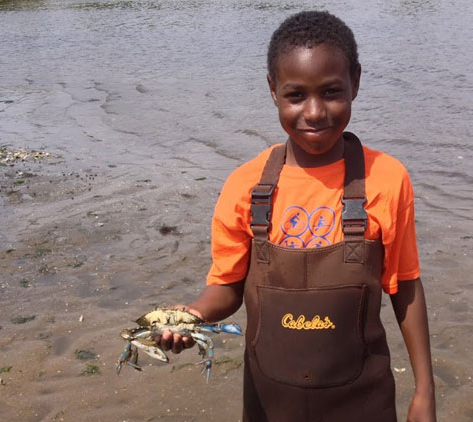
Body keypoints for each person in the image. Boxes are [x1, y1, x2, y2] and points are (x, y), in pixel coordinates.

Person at [156, 11, 436, 422]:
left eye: (331, 91)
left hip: (364, 403)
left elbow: (406, 287)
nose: (315, 112)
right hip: (270, 405)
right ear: (273, 90)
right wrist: (194, 314)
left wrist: (425, 393)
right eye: (295, 95)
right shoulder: (246, 186)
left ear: (356, 82)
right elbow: (227, 287)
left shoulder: (387, 179)